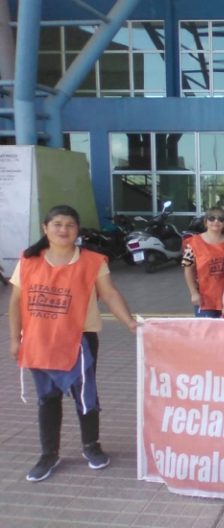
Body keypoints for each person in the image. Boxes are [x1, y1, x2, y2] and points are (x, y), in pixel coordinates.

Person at [8, 205, 137, 482]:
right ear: (45, 228)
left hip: (79, 341)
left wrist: (129, 322)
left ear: (77, 230)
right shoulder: (29, 261)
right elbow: (16, 303)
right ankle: (49, 454)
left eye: (69, 225)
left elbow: (110, 294)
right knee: (47, 398)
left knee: (85, 396)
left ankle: (91, 446)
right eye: (57, 224)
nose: (63, 230)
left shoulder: (92, 261)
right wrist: (14, 339)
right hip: (39, 340)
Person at [181, 206, 224, 318]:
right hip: (205, 298)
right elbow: (187, 268)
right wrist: (193, 293)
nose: (216, 221)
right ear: (206, 222)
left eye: (220, 219)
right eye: (212, 218)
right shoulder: (192, 242)